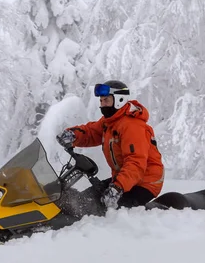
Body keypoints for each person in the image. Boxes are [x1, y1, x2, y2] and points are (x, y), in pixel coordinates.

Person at [56, 80, 164, 212]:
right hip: (124, 179)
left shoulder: (132, 126)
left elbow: (136, 162)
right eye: (101, 101)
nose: (102, 105)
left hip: (145, 183)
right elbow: (91, 132)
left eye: (106, 100)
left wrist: (117, 188)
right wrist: (73, 135)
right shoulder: (111, 121)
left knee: (101, 211)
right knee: (84, 200)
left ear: (119, 100)